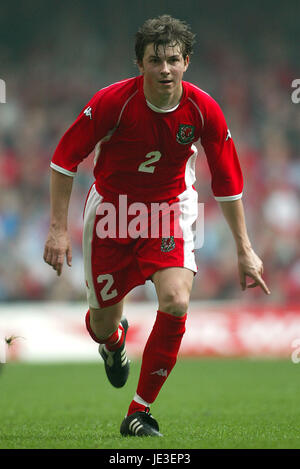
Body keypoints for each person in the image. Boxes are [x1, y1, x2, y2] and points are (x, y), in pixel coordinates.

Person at [43, 15, 270, 437]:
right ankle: (113, 344)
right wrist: (58, 229)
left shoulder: (204, 110)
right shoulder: (113, 102)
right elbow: (63, 157)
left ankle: (139, 411)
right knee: (100, 326)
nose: (165, 69)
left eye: (173, 60)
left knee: (176, 300)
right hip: (112, 213)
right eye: (155, 60)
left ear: (186, 62)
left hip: (169, 209)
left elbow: (227, 181)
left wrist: (244, 248)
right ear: (140, 64)